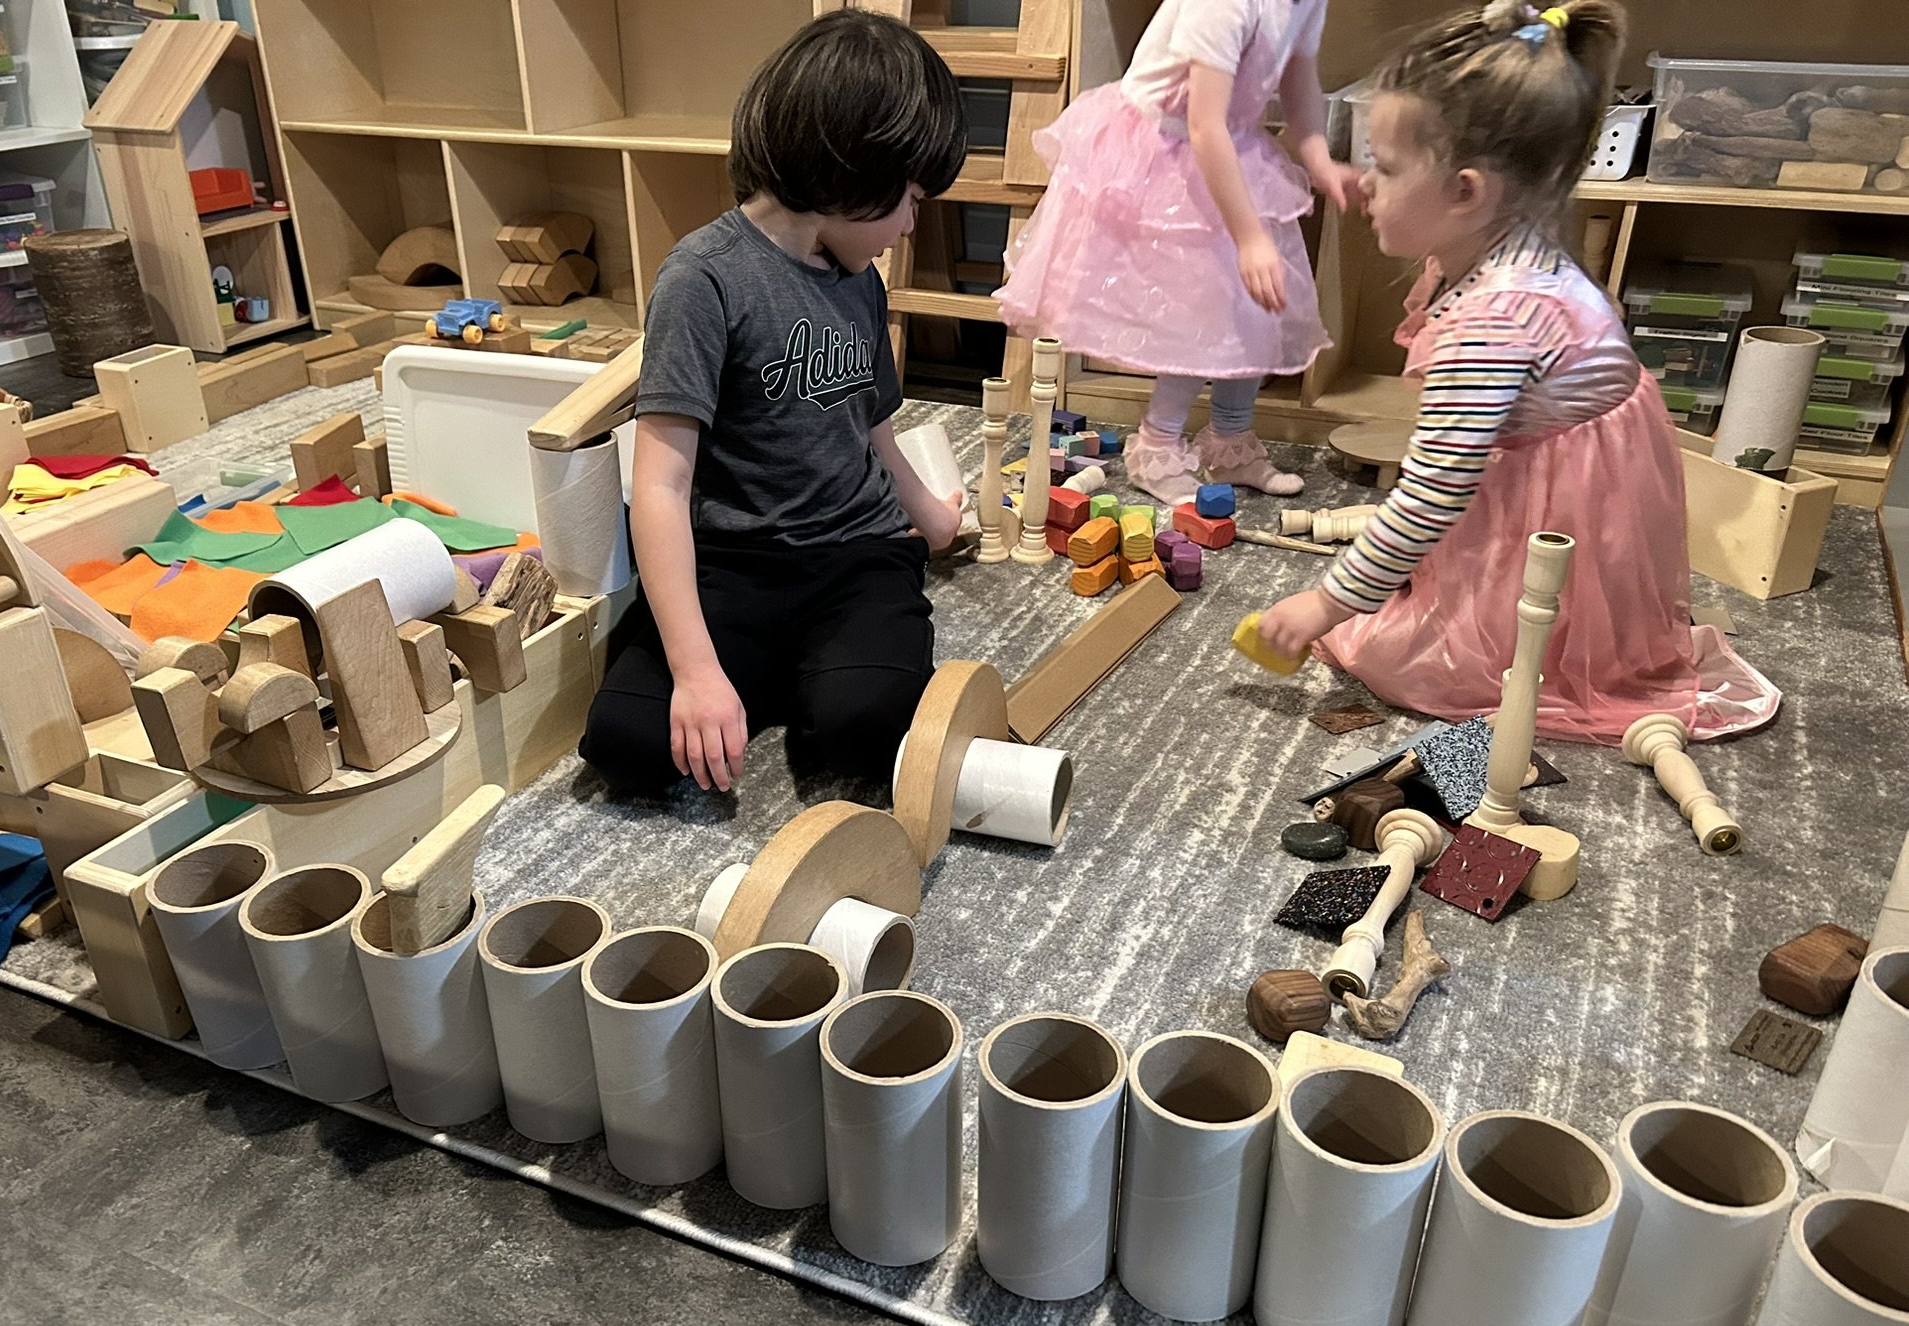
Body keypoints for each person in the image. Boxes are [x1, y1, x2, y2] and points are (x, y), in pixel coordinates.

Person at [1259, 0, 1778, 743]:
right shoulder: (1504, 244)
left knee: (1426, 667)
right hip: (1572, 467)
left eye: (1386, 166)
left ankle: (1554, 643)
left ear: (1467, 191)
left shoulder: (1495, 322)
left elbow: (1433, 493)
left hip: (1570, 501)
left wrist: (1328, 603)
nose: (1364, 183)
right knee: (1433, 604)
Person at [579, 11, 967, 796]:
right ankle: (784, 677)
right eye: (909, 199)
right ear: (850, 176)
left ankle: (806, 679)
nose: (910, 225)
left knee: (866, 731)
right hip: (735, 566)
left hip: (857, 555)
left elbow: (871, 424)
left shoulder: (859, 279)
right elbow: (660, 486)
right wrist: (695, 672)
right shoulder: (703, 279)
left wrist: (929, 515)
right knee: (625, 745)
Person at [995, 0, 1351, 504]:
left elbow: (1299, 75)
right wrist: (1249, 238)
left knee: (1255, 308)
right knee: (1199, 312)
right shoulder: (1225, 5)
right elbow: (1204, 125)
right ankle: (1157, 445)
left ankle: (1230, 440)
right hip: (1169, 150)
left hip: (1230, 145)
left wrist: (1320, 161)